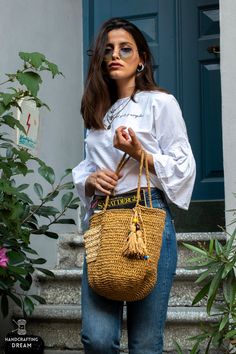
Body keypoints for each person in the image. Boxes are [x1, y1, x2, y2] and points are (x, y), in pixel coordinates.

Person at [72, 17, 196, 354]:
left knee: (144, 341)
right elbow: (87, 166)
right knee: (96, 338)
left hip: (148, 215)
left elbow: (184, 164)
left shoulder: (160, 103)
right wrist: (90, 179)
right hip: (105, 219)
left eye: (125, 49)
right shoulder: (97, 111)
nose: (115, 55)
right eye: (108, 49)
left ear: (141, 58)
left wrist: (140, 153)